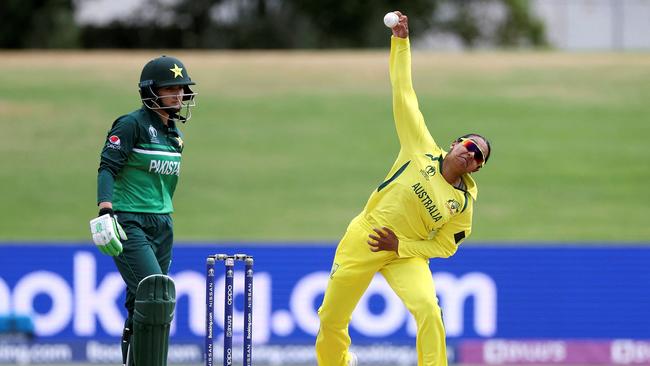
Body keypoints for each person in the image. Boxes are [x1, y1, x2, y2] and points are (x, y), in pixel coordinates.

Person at [315, 11, 491, 366]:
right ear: (455, 143)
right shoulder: (420, 147)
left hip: (405, 254)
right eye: (469, 146)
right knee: (330, 320)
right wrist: (401, 41)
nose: (470, 156)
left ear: (476, 168)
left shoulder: (463, 204)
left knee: (429, 309)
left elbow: (444, 246)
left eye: (478, 158)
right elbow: (404, 92)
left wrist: (401, 246)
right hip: (364, 236)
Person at [89, 55, 197, 366]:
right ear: (151, 91)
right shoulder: (131, 124)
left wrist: (163, 217)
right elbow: (107, 167)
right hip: (129, 221)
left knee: (143, 303)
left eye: (181, 89)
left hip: (162, 223)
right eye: (170, 89)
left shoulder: (173, 135)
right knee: (156, 294)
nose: (178, 95)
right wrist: (106, 209)